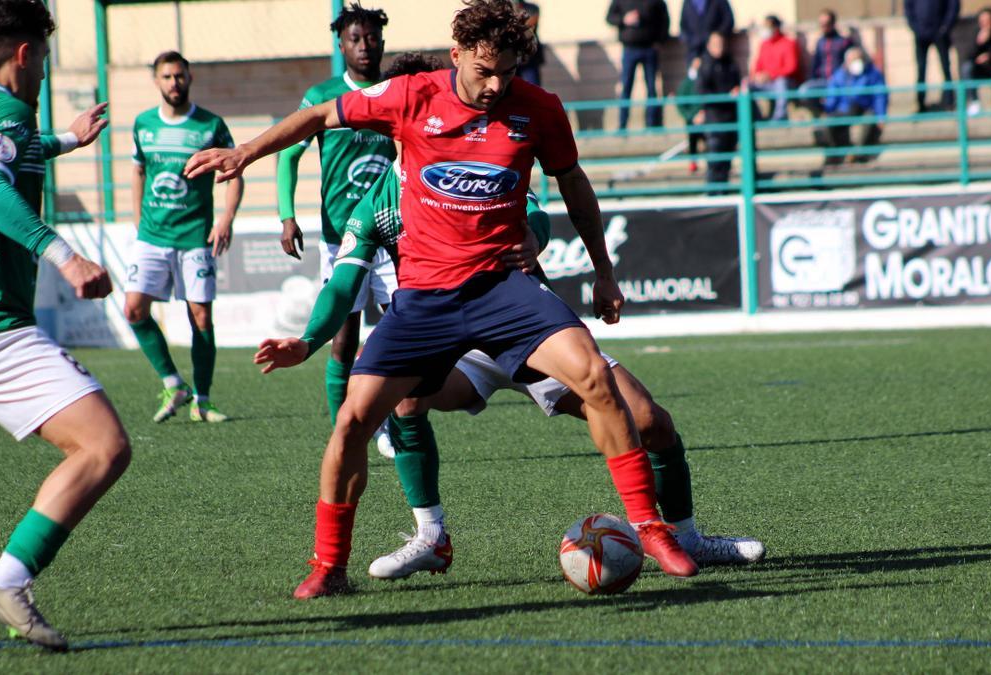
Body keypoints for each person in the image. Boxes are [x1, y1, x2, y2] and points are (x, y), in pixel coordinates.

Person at [186, 0, 699, 599]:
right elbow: (322, 116)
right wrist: (244, 153)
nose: (495, 84)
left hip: (504, 292)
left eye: (507, 71)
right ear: (456, 56)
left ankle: (650, 527)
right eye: (484, 71)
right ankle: (331, 565)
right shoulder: (409, 100)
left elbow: (572, 186)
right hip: (425, 301)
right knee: (353, 419)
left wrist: (603, 271)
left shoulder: (538, 110)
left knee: (594, 376)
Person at [252, 98, 766, 576]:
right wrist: (307, 340)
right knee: (401, 400)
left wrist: (532, 238)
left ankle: (686, 536)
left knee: (650, 421)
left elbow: (538, 213)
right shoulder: (376, 205)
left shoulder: (484, 163)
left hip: (526, 327)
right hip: (456, 347)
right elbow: (343, 282)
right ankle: (431, 536)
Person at [0, 0, 131, 651]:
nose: (43, 69)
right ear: (25, 54)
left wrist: (65, 139)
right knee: (103, 446)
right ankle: (5, 580)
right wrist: (64, 255)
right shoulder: (9, 112)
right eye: (44, 55)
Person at [274, 3, 398, 450]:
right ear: (341, 45)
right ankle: (342, 435)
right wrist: (286, 215)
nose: (365, 46)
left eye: (371, 38)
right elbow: (288, 154)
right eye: (355, 40)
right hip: (341, 238)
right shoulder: (322, 95)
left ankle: (392, 429)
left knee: (398, 337)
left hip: (395, 237)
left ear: (382, 40)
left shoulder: (397, 92)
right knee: (343, 341)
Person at [124, 51, 243, 424]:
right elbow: (139, 171)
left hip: (194, 236)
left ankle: (202, 401)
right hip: (152, 236)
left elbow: (235, 172)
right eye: (166, 77)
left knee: (201, 317)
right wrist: (136, 219)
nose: (174, 83)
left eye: (179, 76)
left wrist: (225, 218)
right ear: (156, 81)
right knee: (134, 310)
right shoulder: (143, 124)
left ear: (189, 78)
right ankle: (174, 384)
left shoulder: (210, 125)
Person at [606, 0, 670, 129]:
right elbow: (609, 18)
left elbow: (665, 19)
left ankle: (652, 124)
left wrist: (660, 41)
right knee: (626, 88)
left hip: (650, 48)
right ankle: (622, 125)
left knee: (652, 88)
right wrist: (624, 19)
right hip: (630, 48)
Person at [822, 47, 887, 165]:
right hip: (845, 109)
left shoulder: (872, 73)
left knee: (869, 121)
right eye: (852, 60)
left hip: (865, 108)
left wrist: (881, 115)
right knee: (829, 124)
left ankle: (860, 154)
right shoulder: (840, 75)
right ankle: (839, 154)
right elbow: (832, 95)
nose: (856, 63)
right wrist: (827, 109)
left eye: (858, 59)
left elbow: (880, 96)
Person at [693, 32, 740, 188]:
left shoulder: (730, 63)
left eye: (721, 43)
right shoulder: (705, 65)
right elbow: (702, 92)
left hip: (730, 119)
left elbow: (737, 83)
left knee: (727, 161)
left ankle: (723, 192)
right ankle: (714, 194)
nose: (719, 47)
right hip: (715, 120)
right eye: (715, 44)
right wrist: (725, 96)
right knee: (714, 160)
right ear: (709, 45)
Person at [904, 0, 960, 112]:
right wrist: (916, 28)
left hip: (940, 33)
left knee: (945, 68)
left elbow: (953, 6)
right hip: (920, 34)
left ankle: (949, 101)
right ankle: (920, 103)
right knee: (921, 70)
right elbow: (908, 10)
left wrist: (945, 27)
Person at [798, 9, 853, 113]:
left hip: (839, 82)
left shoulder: (844, 42)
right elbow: (815, 65)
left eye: (826, 24)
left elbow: (850, 63)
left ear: (833, 24)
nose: (823, 27)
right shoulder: (820, 42)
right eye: (821, 24)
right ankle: (821, 115)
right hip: (822, 81)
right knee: (804, 91)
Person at [748, 15, 801, 122]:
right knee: (747, 85)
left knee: (781, 82)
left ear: (776, 28)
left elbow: (791, 67)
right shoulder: (764, 44)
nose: (765, 30)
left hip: (786, 84)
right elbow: (758, 66)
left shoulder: (788, 43)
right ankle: (757, 118)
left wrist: (771, 75)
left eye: (767, 27)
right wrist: (758, 76)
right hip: (767, 84)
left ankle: (779, 116)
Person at [512, 1, 543, 86]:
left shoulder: (532, 8)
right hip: (512, 56)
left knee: (534, 88)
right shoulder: (505, 8)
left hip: (529, 57)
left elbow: (529, 26)